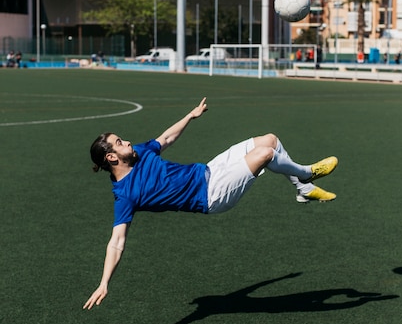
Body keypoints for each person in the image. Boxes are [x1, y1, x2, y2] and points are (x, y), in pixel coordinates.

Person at [83, 98, 338, 310]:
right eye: (120, 143)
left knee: (270, 140)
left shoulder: (139, 152)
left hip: (210, 170)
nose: (127, 142)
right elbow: (117, 241)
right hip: (212, 195)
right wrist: (105, 282)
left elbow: (166, 138)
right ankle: (306, 174)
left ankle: (303, 188)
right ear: (112, 157)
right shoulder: (125, 194)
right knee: (266, 155)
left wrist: (190, 116)